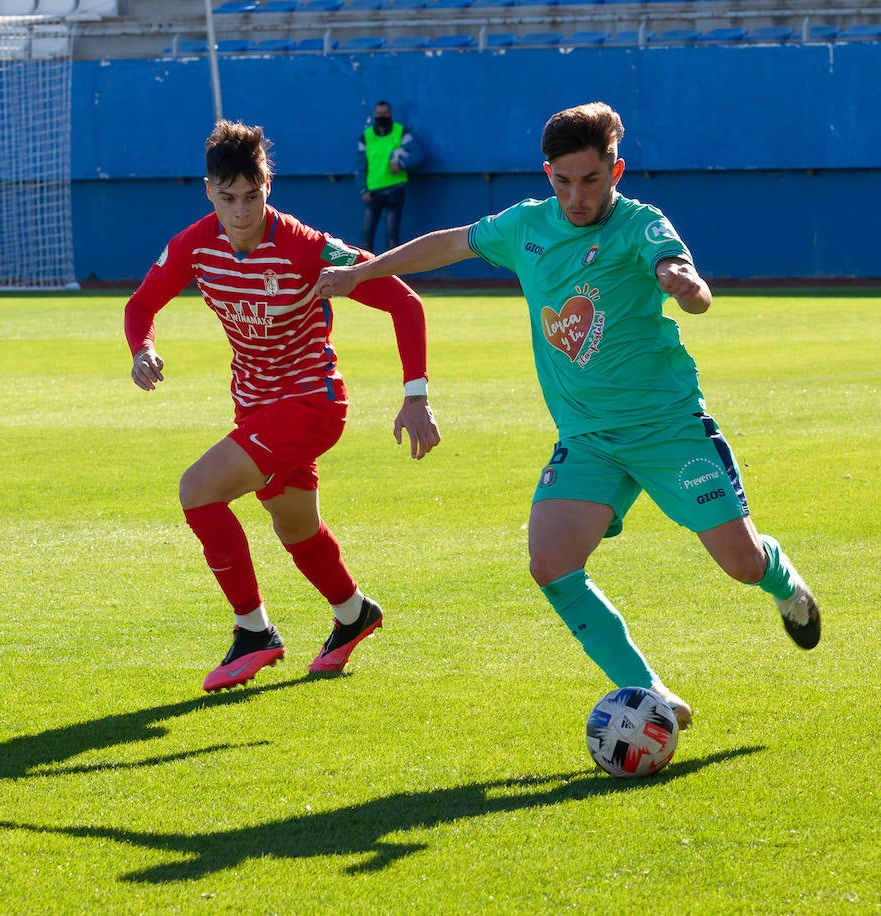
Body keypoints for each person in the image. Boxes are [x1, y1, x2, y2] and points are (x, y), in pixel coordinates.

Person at [315, 101, 821, 729]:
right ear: (546, 172)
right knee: (551, 565)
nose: (577, 196)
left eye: (592, 180)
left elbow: (683, 274)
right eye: (563, 180)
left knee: (742, 564)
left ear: (617, 170)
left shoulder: (640, 224)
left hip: (668, 429)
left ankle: (786, 585)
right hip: (587, 439)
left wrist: (686, 286)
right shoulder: (525, 226)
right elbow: (450, 244)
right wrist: (369, 269)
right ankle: (652, 695)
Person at [126, 120, 441, 692]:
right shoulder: (194, 245)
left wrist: (415, 395)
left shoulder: (307, 247)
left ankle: (255, 632)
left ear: (268, 186)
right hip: (256, 408)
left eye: (253, 196)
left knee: (197, 490)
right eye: (228, 198)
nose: (241, 212)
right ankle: (353, 614)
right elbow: (140, 305)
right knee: (296, 529)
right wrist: (141, 349)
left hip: (311, 404)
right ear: (209, 192)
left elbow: (404, 301)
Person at [356, 100, 419, 254]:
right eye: (378, 114)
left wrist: (402, 164)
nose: (381, 116)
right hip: (373, 191)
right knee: (367, 233)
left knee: (392, 234)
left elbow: (418, 154)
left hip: (395, 189)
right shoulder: (367, 136)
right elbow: (360, 166)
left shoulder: (401, 132)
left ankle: (392, 271)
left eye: (385, 114)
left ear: (390, 114)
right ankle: (364, 269)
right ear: (374, 115)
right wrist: (362, 189)